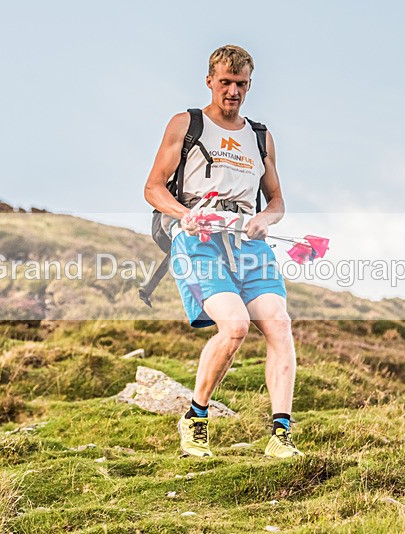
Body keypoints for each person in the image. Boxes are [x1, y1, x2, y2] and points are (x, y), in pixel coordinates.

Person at [144, 45, 302, 458]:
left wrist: (264, 220)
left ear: (250, 85)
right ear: (210, 80)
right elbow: (153, 187)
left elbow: (277, 202)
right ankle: (196, 418)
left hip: (248, 244)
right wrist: (184, 215)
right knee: (234, 327)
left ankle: (280, 437)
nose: (233, 91)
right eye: (226, 82)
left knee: (279, 324)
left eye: (241, 84)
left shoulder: (260, 136)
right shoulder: (187, 124)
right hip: (198, 241)